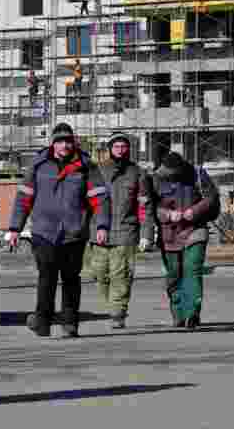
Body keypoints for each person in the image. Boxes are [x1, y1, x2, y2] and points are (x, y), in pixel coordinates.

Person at [7, 122, 109, 338]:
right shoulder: (38, 165)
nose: (65, 145)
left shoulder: (86, 166)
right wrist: (15, 228)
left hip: (74, 231)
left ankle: (70, 323)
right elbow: (24, 198)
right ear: (52, 143)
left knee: (71, 278)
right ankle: (42, 321)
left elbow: (99, 197)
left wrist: (101, 225)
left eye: (68, 141)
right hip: (44, 231)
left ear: (74, 142)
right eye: (60, 141)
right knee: (47, 276)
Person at [89, 133, 154, 329]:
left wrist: (146, 234)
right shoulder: (97, 171)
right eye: (116, 146)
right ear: (110, 149)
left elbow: (145, 206)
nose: (120, 150)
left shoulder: (137, 173)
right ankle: (113, 304)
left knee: (121, 274)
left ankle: (118, 312)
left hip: (126, 230)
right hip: (99, 231)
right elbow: (87, 202)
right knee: (99, 273)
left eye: (124, 146)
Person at [150, 151, 220, 329]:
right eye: (169, 174)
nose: (173, 177)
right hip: (169, 234)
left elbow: (211, 198)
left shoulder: (197, 173)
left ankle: (192, 313)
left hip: (195, 230)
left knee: (192, 270)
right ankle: (178, 312)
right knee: (174, 275)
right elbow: (148, 207)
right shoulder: (154, 178)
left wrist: (194, 211)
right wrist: (167, 214)